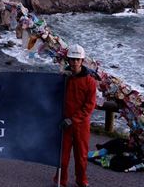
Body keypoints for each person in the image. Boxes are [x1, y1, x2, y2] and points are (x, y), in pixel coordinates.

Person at [54, 44, 97, 187]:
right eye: (72, 59)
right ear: (68, 60)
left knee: (81, 157)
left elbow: (89, 106)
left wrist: (73, 120)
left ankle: (82, 181)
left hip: (80, 125)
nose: (74, 62)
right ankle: (60, 180)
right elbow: (54, 96)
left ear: (82, 61)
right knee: (62, 157)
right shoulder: (63, 78)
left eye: (77, 60)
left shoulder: (90, 81)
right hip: (64, 123)